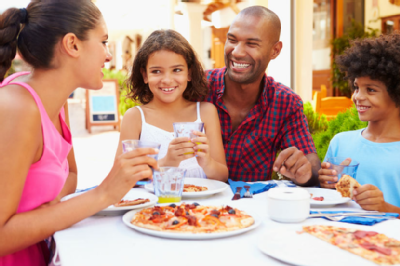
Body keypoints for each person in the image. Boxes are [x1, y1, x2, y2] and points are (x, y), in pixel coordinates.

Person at [0, 1, 157, 265]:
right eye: (103, 41)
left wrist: (47, 212)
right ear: (72, 44)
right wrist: (104, 193)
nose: (108, 55)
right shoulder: (17, 109)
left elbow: (71, 176)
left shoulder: (54, 102)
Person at [205, 6, 320, 185]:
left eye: (251, 44)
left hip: (253, 208)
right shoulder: (198, 88)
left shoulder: (285, 102)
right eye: (232, 40)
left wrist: (304, 170)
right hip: (191, 206)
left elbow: (311, 162)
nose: (237, 52)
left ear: (275, 51)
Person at [115, 30, 228, 181]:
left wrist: (207, 162)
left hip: (203, 204)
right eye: (156, 71)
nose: (167, 80)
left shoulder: (206, 112)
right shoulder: (135, 117)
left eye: (176, 70)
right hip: (153, 204)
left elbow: (222, 176)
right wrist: (167, 162)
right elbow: (119, 177)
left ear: (189, 73)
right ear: (145, 75)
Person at [318, 33, 400, 214]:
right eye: (356, 87)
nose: (357, 97)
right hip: (340, 236)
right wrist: (325, 183)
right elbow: (327, 199)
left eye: (370, 90)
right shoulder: (340, 142)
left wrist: (386, 208)